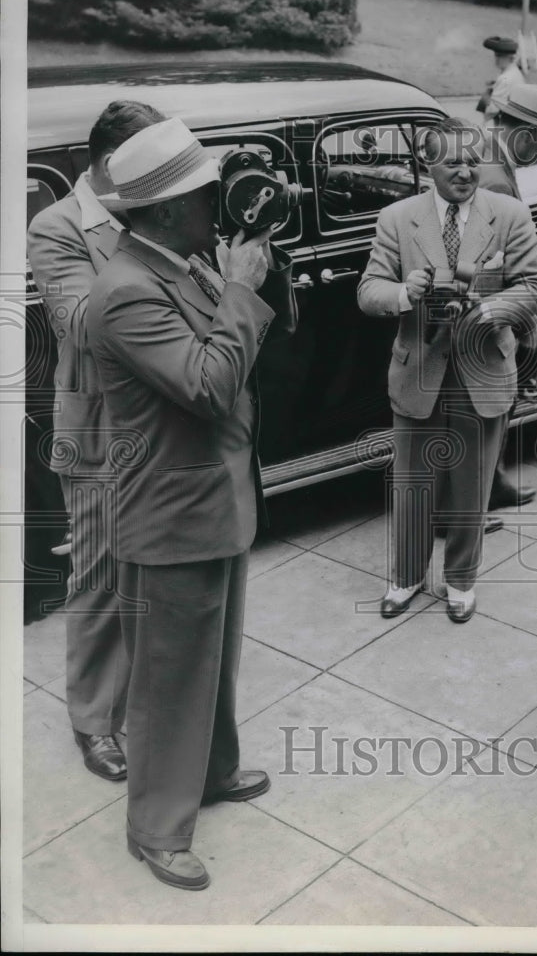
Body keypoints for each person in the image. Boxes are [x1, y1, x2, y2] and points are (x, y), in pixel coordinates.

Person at [87, 117, 292, 890]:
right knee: (170, 679)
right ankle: (157, 828)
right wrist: (240, 286)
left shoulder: (181, 259)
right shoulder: (126, 292)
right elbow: (208, 386)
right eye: (208, 194)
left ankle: (213, 772)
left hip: (214, 497)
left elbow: (238, 351)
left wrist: (252, 278)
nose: (221, 204)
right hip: (174, 514)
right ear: (168, 208)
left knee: (213, 660)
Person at [358, 117, 537, 624]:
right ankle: (405, 578)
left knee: (473, 485)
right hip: (418, 370)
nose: (465, 171)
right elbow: (368, 289)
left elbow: (535, 285)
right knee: (412, 485)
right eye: (452, 163)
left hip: (482, 370)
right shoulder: (397, 218)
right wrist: (405, 294)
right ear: (428, 164)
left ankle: (461, 581)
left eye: (472, 161)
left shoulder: (508, 214)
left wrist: (488, 311)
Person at [27, 100, 166, 783]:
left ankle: (142, 697)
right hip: (98, 432)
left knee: (152, 568)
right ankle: (93, 720)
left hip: (164, 425)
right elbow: (81, 323)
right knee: (101, 574)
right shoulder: (57, 227)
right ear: (111, 164)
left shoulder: (145, 214)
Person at [477, 83, 537, 518]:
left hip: (482, 309)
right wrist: (529, 326)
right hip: (488, 313)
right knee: (486, 407)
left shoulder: (487, 154)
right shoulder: (495, 176)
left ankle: (490, 485)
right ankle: (461, 507)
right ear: (529, 134)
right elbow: (495, 265)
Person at [478, 36, 526, 122]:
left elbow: (493, 109)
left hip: (506, 124)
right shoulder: (514, 71)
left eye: (501, 56)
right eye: (496, 55)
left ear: (511, 58)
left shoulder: (505, 78)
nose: (497, 59)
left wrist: (484, 121)